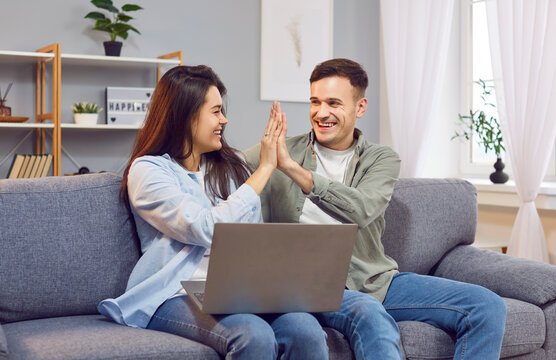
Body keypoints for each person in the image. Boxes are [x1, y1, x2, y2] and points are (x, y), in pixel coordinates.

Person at [244, 58, 507, 359]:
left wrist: (291, 169)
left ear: (360, 107)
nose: (321, 113)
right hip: (306, 284)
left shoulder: (381, 159)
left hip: (373, 280)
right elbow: (221, 168)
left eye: (333, 103)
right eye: (315, 102)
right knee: (370, 317)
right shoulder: (277, 150)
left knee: (487, 306)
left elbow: (362, 209)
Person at [97, 65, 328, 360]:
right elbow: (204, 228)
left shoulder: (231, 168)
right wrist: (265, 169)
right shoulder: (149, 171)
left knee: (306, 330)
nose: (224, 119)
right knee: (253, 335)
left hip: (239, 288)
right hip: (175, 293)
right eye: (216, 111)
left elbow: (252, 239)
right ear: (186, 115)